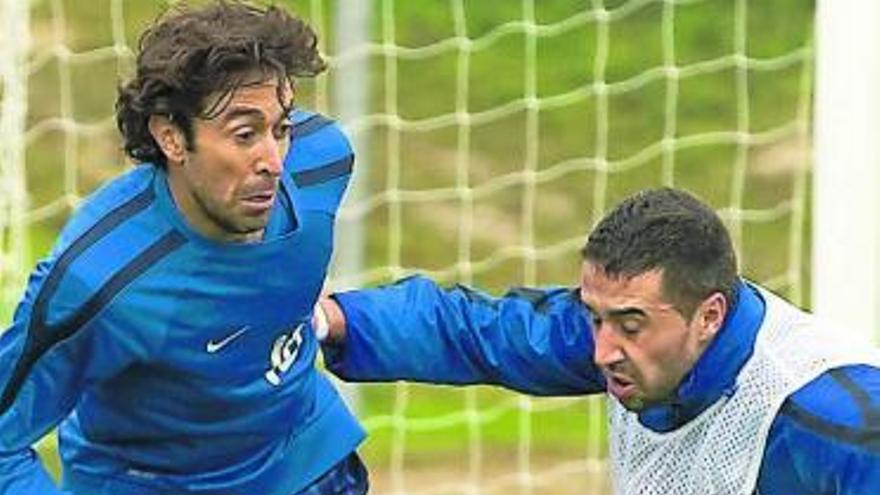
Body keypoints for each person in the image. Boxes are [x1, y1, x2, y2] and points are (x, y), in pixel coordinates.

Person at [0, 2, 368, 494]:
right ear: (172, 137)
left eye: (280, 128)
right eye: (244, 135)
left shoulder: (321, 160)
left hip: (307, 466)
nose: (274, 161)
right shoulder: (100, 277)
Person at [316, 187, 880, 494]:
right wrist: (332, 319)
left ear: (709, 316)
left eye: (629, 326)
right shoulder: (626, 339)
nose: (602, 350)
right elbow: (479, 330)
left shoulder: (836, 417)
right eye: (593, 318)